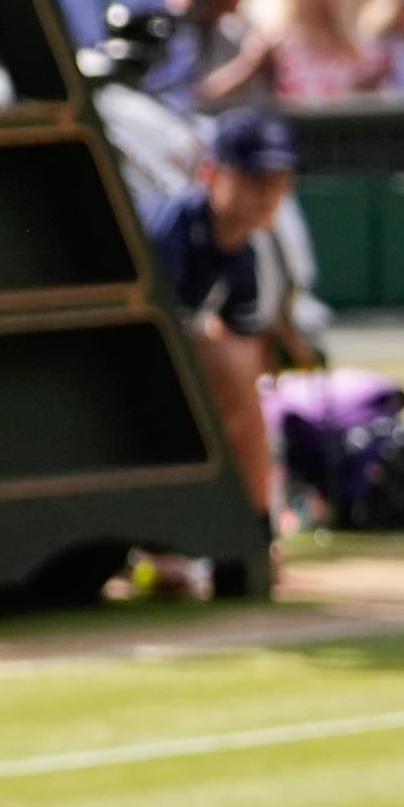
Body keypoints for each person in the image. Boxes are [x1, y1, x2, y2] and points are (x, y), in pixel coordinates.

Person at [143, 108, 291, 545]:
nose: (267, 194)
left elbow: (243, 339)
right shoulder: (170, 230)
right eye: (251, 178)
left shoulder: (243, 252)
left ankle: (252, 528)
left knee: (242, 364)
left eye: (277, 180)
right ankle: (250, 527)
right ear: (210, 174)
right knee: (228, 363)